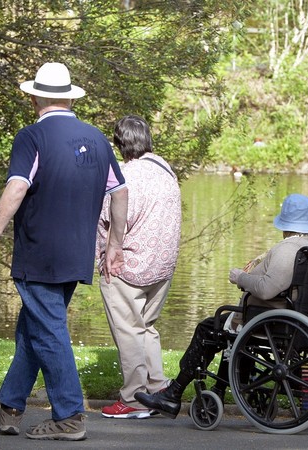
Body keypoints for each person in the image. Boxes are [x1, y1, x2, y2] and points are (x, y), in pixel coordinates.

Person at [0, 62, 128, 441]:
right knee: (35, 327)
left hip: (39, 254)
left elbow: (16, 187)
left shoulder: (31, 136)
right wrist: (114, 245)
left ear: (35, 97)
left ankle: (70, 415)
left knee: (49, 333)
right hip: (77, 253)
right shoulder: (96, 138)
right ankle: (10, 407)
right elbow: (120, 191)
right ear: (68, 97)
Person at [134, 193, 308, 418]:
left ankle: (174, 394)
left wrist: (240, 277)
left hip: (274, 320)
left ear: (286, 224)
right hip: (306, 319)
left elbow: (267, 288)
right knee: (231, 326)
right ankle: (224, 389)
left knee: (209, 329)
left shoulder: (289, 249)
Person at [95, 115, 182, 419]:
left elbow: (110, 221)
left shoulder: (124, 178)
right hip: (162, 266)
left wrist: (106, 255)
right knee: (147, 327)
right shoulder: (166, 172)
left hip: (127, 265)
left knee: (128, 331)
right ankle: (157, 389)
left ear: (119, 143)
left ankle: (133, 398)